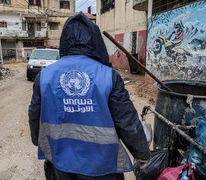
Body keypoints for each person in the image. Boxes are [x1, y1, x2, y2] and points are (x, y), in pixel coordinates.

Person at [28, 12, 151, 180]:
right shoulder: (108, 76)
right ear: (94, 41)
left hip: (61, 162)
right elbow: (127, 121)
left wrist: (36, 139)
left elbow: (34, 114)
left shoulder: (44, 77)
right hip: (103, 167)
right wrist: (142, 153)